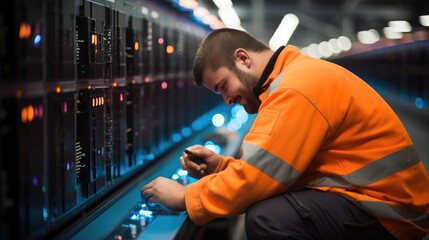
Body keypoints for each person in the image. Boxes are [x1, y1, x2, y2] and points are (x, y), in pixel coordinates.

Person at [141, 28, 429, 239]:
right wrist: (222, 167)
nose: (227, 100)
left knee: (269, 218)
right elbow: (280, 170)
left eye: (223, 87)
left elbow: (257, 179)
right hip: (376, 200)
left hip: (390, 214)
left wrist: (186, 197)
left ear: (243, 59)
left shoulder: (295, 88)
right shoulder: (290, 80)